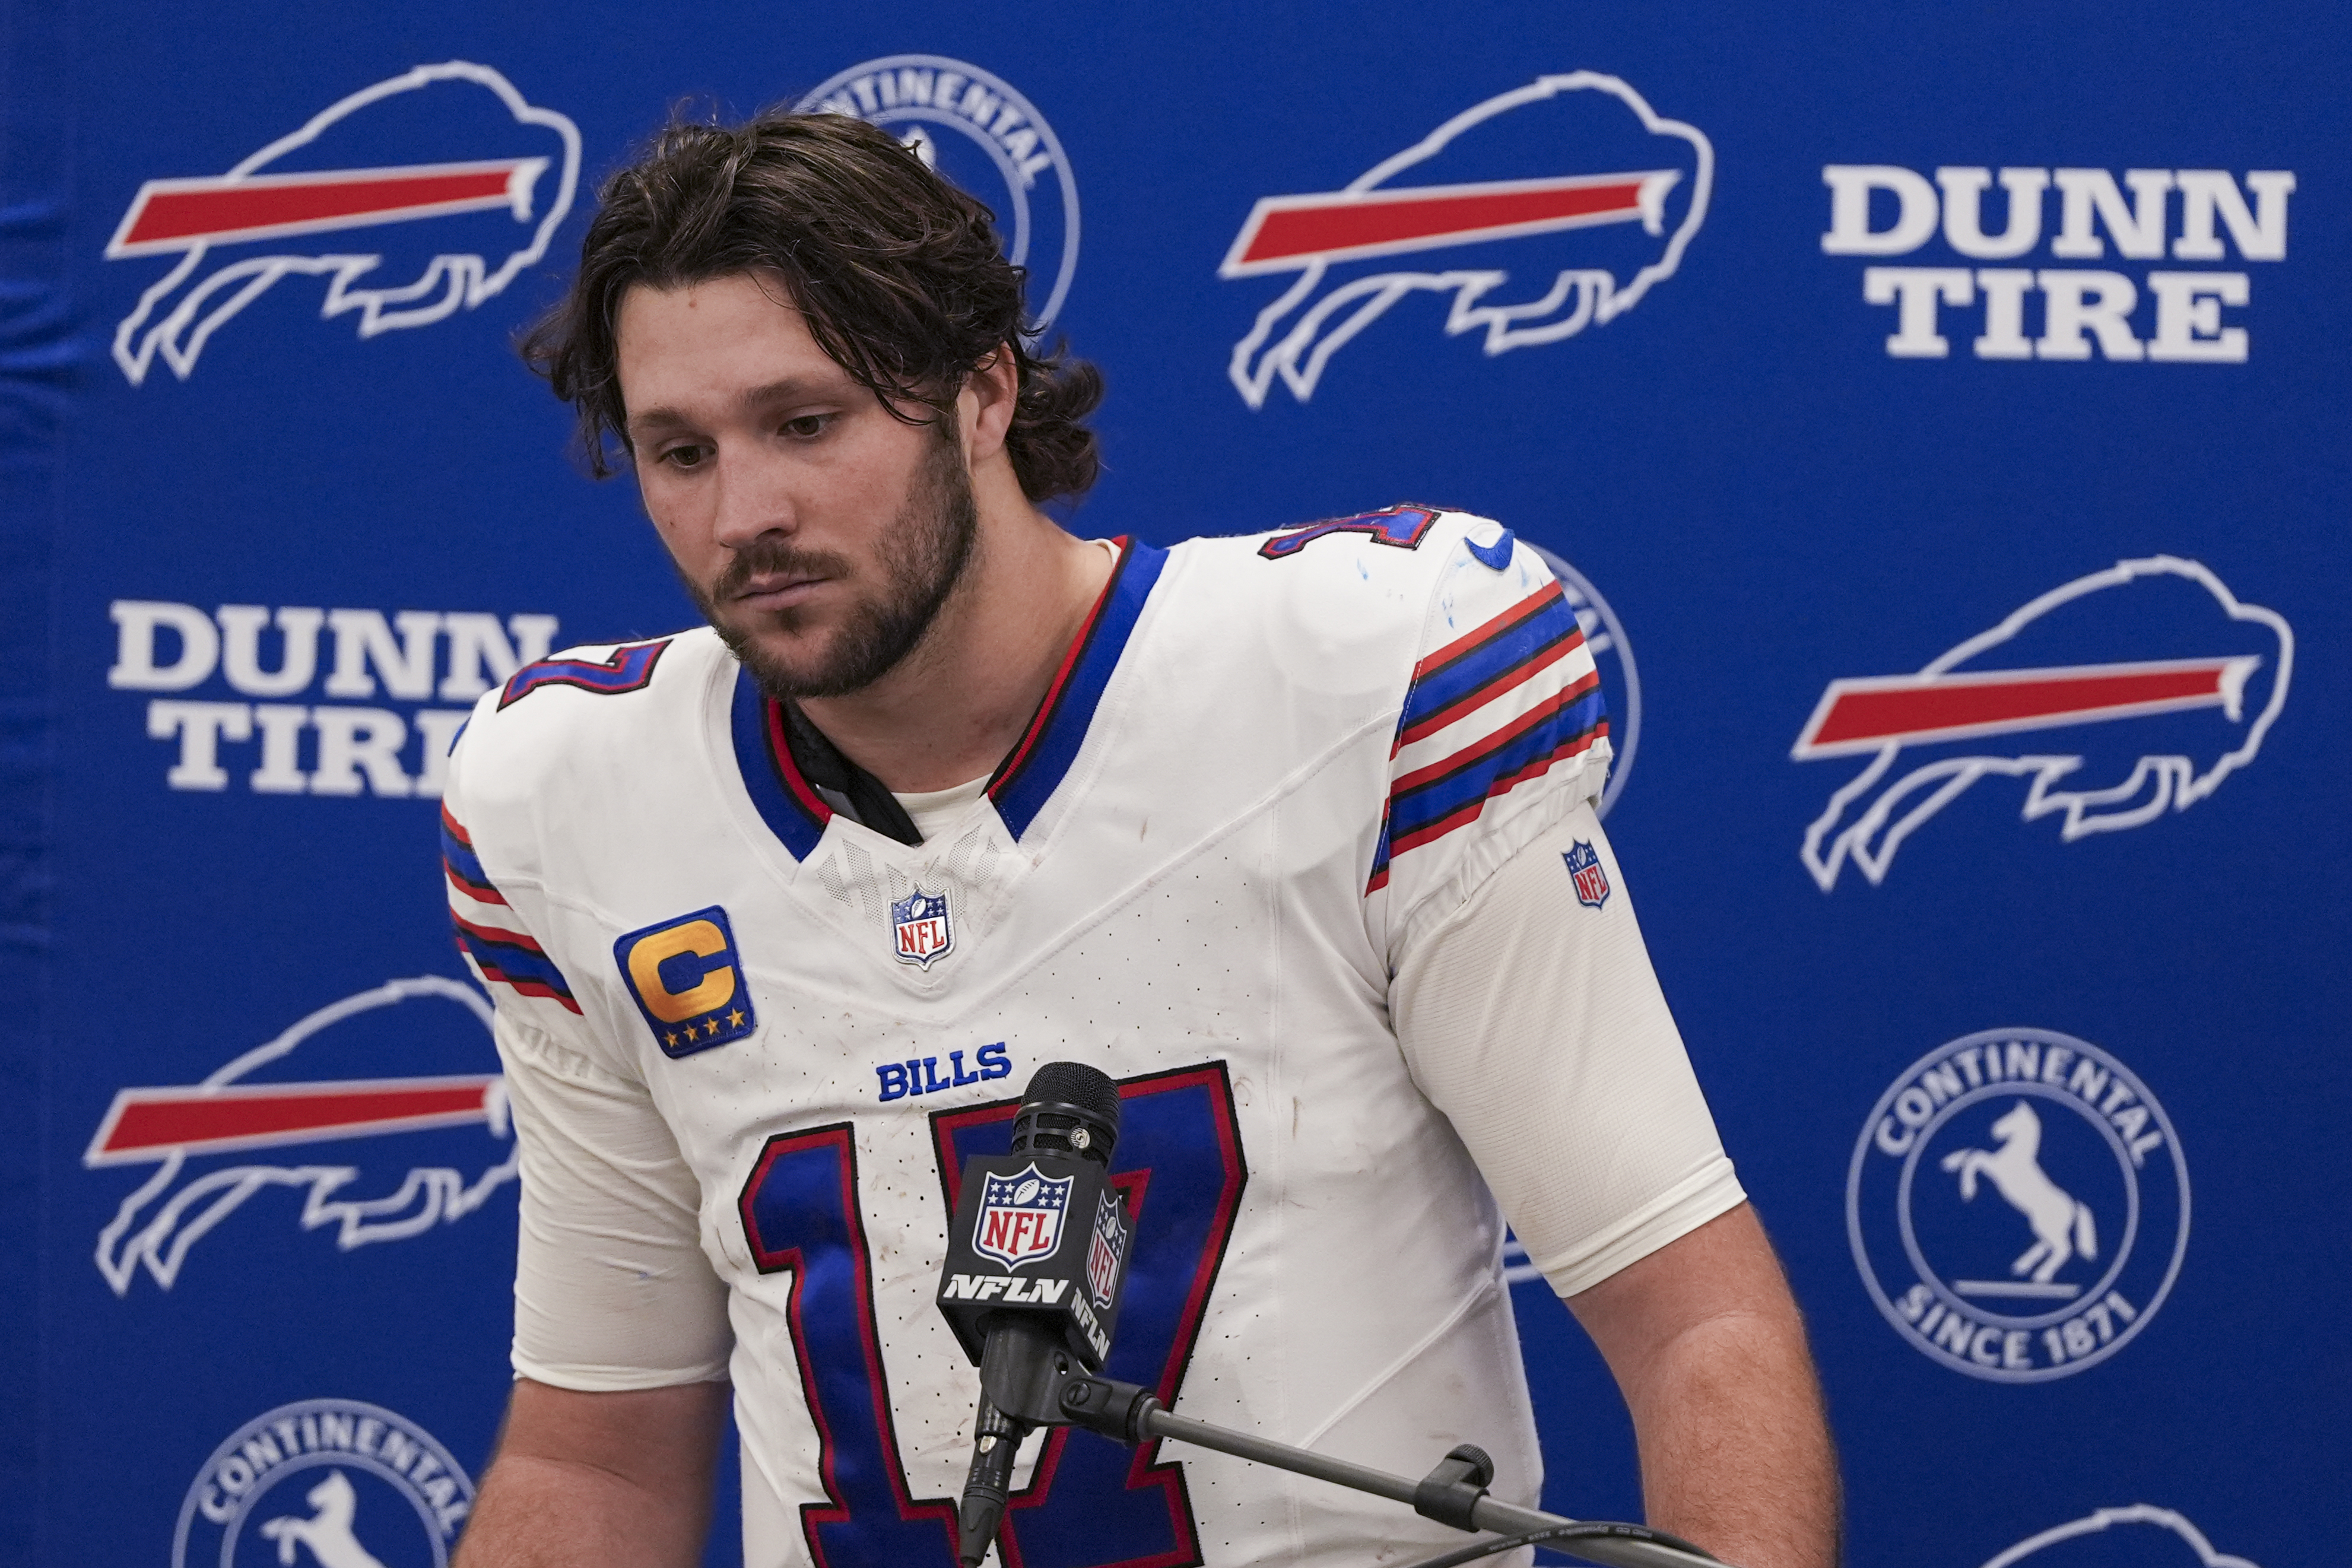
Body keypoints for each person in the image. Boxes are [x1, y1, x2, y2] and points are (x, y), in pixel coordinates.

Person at [444, 110, 1837, 1568]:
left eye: (806, 423)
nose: (747, 514)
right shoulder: (572, 796)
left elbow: (1694, 1317)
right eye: (679, 451)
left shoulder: (1358, 680)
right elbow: (596, 1452)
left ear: (982, 390)